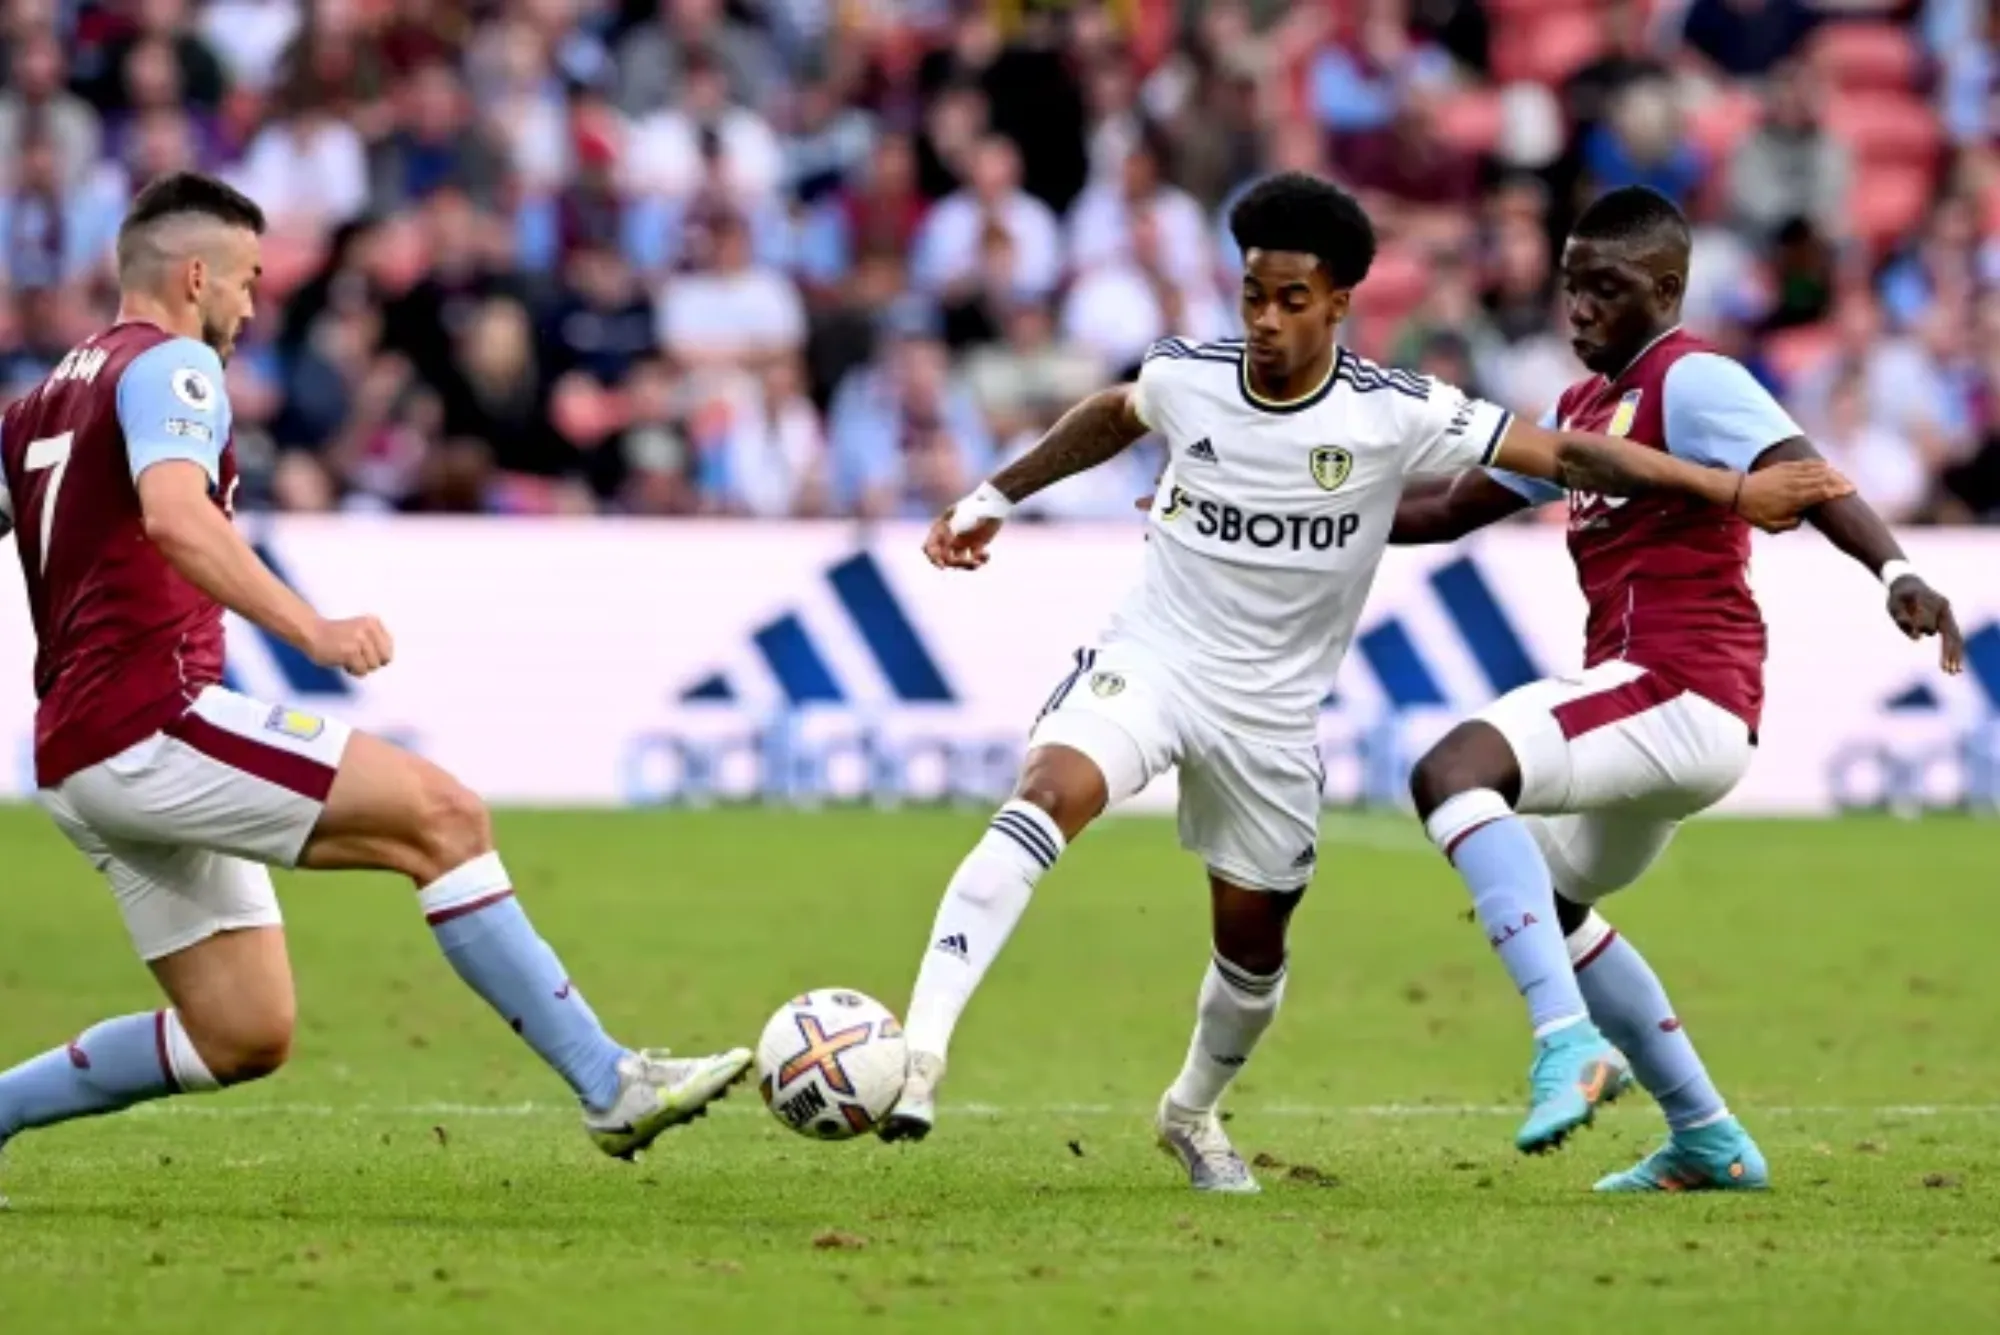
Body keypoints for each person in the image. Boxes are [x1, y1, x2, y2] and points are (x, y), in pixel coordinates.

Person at [879, 172, 1847, 1193]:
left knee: (1251, 961)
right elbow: (1112, 414)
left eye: (1290, 299)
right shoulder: (1186, 376)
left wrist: (1732, 491)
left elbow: (1566, 454)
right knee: (1046, 794)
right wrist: (993, 495)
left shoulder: (1397, 411)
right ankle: (920, 1059)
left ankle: (1191, 1113)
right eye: (1251, 294)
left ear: (1338, 302)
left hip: (1270, 716)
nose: (1264, 319)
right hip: (1152, 658)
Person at [0, 173, 750, 1190]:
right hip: (151, 721)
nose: (253, 307)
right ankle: (607, 1082)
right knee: (443, 816)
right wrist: (311, 627)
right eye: (248, 283)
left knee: (242, 1031)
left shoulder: (40, 399)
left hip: (78, 753)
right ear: (194, 277)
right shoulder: (174, 366)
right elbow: (178, 518)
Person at [1391, 186, 1961, 1190]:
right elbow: (1439, 512)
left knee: (1452, 772)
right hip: (1667, 712)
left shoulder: (1690, 380)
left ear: (1662, 290)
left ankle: (1565, 1044)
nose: (1576, 312)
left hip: (1678, 686)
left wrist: (1894, 573)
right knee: (1557, 907)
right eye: (1569, 290)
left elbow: (1805, 474)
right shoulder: (1575, 413)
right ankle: (1706, 1138)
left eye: (1602, 290)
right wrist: (1279, 500)